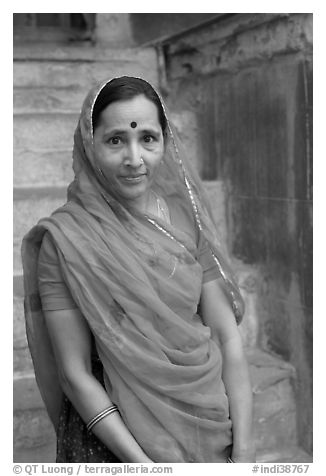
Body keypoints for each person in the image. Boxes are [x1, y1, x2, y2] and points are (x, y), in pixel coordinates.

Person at [21, 76, 255, 463]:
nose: (134, 158)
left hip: (208, 425)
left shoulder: (185, 221)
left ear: (165, 141)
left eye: (147, 138)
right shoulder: (66, 241)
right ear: (89, 143)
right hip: (117, 442)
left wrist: (244, 455)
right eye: (115, 140)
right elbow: (74, 375)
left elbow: (227, 340)